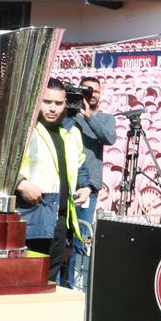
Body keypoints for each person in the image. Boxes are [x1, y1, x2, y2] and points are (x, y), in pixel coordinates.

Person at [16, 78, 90, 286]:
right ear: (37, 101)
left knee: (48, 283)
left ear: (65, 103)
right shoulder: (24, 129)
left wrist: (85, 186)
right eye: (47, 102)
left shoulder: (71, 132)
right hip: (30, 216)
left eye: (58, 103)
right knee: (24, 281)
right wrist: (21, 185)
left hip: (59, 219)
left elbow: (80, 164)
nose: (52, 109)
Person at [66, 76, 117, 292]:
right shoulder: (71, 115)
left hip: (89, 189)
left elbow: (109, 138)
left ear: (100, 93)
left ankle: (74, 288)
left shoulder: (105, 118)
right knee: (62, 238)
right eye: (87, 90)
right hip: (67, 183)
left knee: (80, 241)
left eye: (95, 90)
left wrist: (87, 116)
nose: (92, 94)